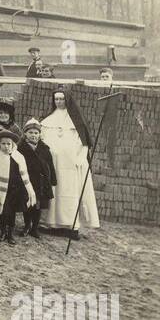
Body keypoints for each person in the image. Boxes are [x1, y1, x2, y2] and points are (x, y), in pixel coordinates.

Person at [39, 88, 100, 237]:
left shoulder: (76, 120)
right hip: (53, 164)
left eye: (62, 99)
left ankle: (71, 227)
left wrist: (80, 158)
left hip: (70, 166)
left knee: (69, 194)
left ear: (67, 100)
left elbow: (84, 143)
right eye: (56, 99)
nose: (59, 102)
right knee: (54, 193)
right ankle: (53, 224)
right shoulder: (48, 119)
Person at [0, 128, 37, 245]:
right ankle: (2, 232)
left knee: (12, 213)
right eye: (3, 144)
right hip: (2, 189)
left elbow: (23, 174)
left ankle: (10, 234)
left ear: (13, 144)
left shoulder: (18, 157)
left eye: (9, 144)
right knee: (3, 212)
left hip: (16, 189)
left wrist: (25, 189)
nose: (6, 146)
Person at [16, 118, 55, 239]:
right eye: (30, 132)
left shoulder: (45, 149)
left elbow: (50, 165)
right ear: (25, 134)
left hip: (40, 182)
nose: (33, 135)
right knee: (28, 204)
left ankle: (35, 228)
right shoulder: (20, 148)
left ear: (39, 134)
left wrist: (52, 179)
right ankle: (27, 225)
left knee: (38, 205)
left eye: (36, 133)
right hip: (27, 180)